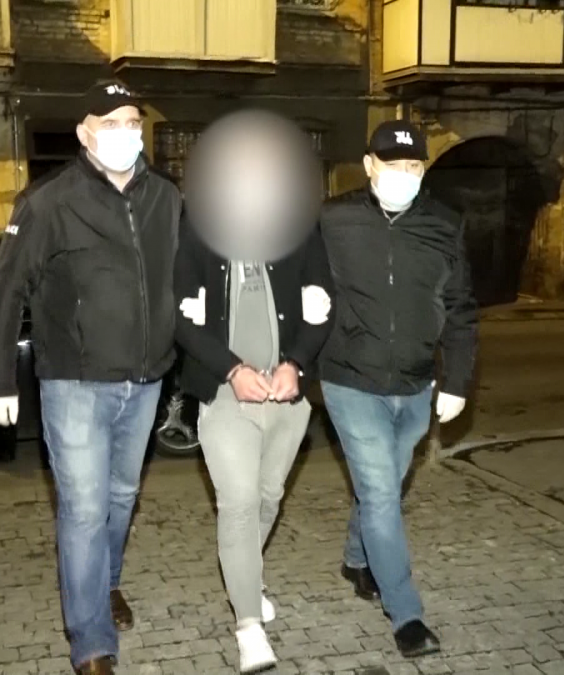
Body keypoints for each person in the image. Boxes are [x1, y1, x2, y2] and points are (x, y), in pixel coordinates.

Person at [0, 80, 181, 675]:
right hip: (75, 383)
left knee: (121, 498)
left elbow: (183, 277)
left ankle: (105, 583)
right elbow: (5, 292)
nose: (125, 133)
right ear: (84, 134)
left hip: (146, 380)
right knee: (85, 510)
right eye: (110, 123)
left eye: (133, 122)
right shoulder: (48, 202)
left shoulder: (165, 196)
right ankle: (91, 642)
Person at [317, 119, 479, 658]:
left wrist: (457, 381)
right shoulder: (333, 219)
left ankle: (356, 559)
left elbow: (460, 308)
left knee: (382, 483)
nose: (404, 175)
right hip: (350, 377)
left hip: (415, 383)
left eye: (414, 166)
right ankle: (406, 615)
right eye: (393, 165)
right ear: (369, 166)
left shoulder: (444, 223)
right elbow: (299, 279)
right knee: (383, 493)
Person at [174, 218, 334, 673]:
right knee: (240, 504)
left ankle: (246, 575)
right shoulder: (198, 230)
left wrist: (295, 364)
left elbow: (322, 305)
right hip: (225, 394)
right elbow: (179, 316)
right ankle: (248, 627)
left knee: (268, 498)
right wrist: (231, 369)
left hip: (285, 396)